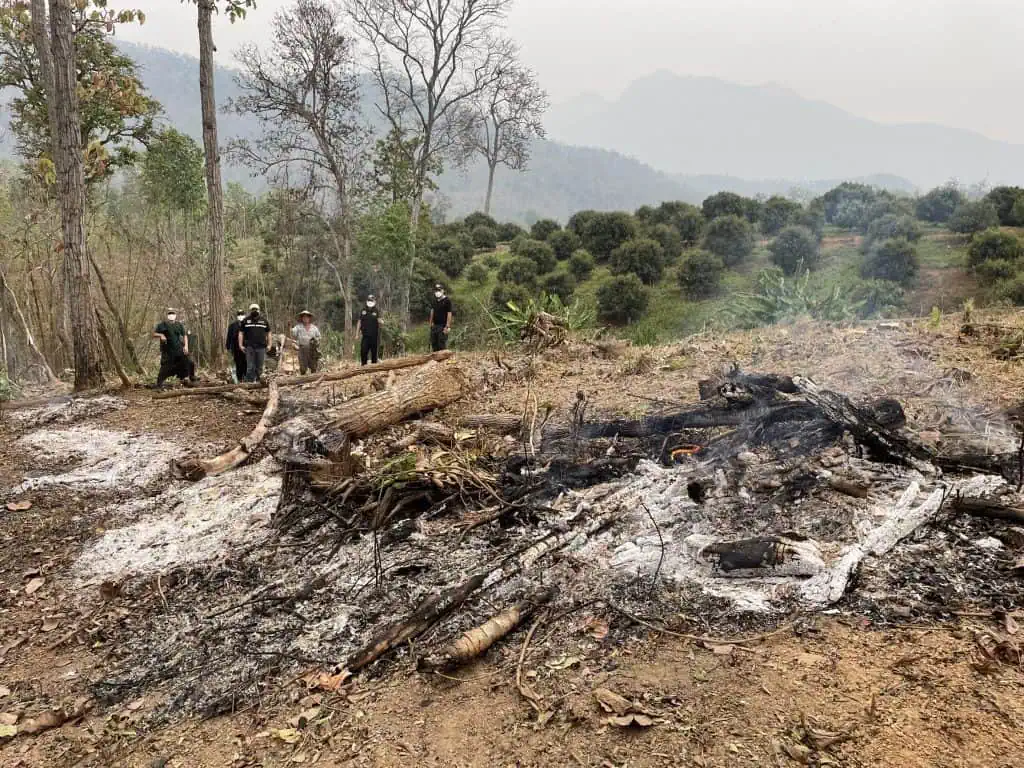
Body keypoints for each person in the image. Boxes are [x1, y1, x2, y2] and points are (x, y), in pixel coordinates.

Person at [153, 308, 191, 388]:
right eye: (170, 313)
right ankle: (159, 384)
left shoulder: (179, 325)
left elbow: (184, 335)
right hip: (167, 350)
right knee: (165, 366)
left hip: (178, 349)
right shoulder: (162, 325)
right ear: (167, 315)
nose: (171, 315)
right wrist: (161, 335)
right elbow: (154, 334)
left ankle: (186, 379)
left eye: (173, 313)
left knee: (187, 362)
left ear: (175, 315)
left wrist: (186, 346)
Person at [239, 303, 271, 382]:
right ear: (250, 311)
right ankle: (249, 384)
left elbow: (269, 333)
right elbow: (241, 333)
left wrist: (269, 344)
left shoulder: (264, 321)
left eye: (256, 309)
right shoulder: (245, 321)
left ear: (259, 310)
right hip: (249, 347)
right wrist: (240, 345)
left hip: (261, 347)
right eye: (253, 309)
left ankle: (260, 383)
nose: (254, 311)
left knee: (260, 367)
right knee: (250, 367)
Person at [290, 310, 322, 375]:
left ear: (309, 318)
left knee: (313, 366)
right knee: (303, 368)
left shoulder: (314, 328)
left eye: (307, 317)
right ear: (302, 318)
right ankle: (303, 380)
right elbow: (293, 333)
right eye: (304, 317)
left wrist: (316, 342)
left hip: (312, 350)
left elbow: (319, 337)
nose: (305, 319)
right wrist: (290, 327)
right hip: (302, 349)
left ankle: (313, 379)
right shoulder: (298, 327)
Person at [356, 294, 380, 366]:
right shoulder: (363, 310)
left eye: (371, 300)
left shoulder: (376, 311)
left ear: (374, 301)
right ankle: (363, 366)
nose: (370, 302)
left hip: (374, 336)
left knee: (374, 353)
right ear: (367, 301)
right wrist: (357, 334)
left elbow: (379, 320)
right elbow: (359, 322)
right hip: (365, 335)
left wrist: (382, 322)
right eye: (369, 300)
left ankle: (374, 367)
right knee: (363, 351)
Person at [428, 283, 453, 352]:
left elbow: (449, 313)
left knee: (441, 344)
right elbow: (432, 311)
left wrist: (447, 326)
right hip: (435, 326)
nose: (437, 292)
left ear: (443, 290)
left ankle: (444, 360)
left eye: (439, 290)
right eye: (436, 290)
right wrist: (430, 323)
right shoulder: (434, 301)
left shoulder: (447, 301)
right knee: (434, 344)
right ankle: (436, 361)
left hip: (443, 326)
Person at [226, 309, 247, 383]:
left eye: (242, 314)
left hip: (246, 348)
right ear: (237, 316)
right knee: (238, 363)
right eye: (239, 314)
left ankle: (246, 378)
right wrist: (228, 346)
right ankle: (239, 378)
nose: (240, 316)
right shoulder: (232, 326)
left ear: (244, 315)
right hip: (235, 348)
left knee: (246, 363)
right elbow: (229, 337)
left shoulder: (247, 324)